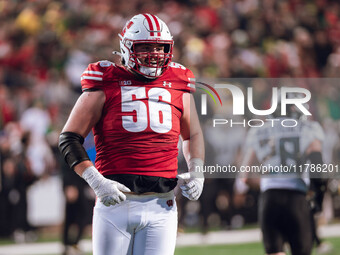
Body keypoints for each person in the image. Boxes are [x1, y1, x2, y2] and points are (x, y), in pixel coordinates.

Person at [58, 13, 205, 255]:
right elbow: (68, 138)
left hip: (163, 204)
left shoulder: (178, 81)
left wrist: (197, 170)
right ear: (126, 47)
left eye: (160, 47)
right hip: (115, 202)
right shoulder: (106, 80)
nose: (154, 53)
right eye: (146, 46)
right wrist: (96, 181)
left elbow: (193, 135)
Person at [241, 91, 325, 255]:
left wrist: (270, 182)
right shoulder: (309, 129)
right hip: (296, 197)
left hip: (269, 199)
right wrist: (317, 196)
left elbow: (245, 176)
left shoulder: (259, 130)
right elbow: (318, 168)